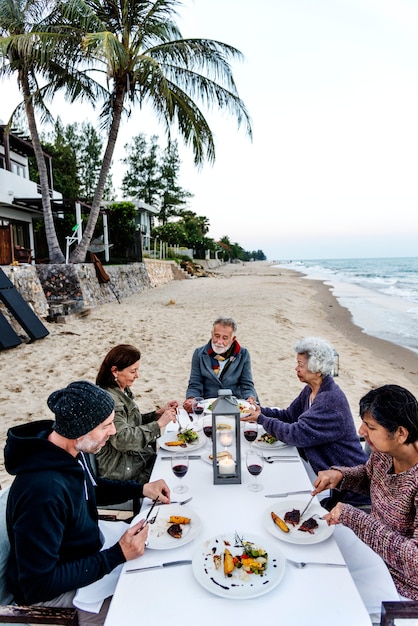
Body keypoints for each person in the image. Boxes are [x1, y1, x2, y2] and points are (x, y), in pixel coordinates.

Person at [4, 380, 171, 626]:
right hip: (56, 596)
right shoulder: (43, 493)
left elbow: (89, 490)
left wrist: (141, 489)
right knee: (146, 610)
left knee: (159, 569)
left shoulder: (67, 450)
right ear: (81, 432)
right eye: (106, 425)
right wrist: (117, 555)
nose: (113, 431)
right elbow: (37, 585)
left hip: (86, 552)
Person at [313, 384, 418, 606]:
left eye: (370, 426)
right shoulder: (384, 453)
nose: (361, 431)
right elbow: (370, 477)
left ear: (400, 433)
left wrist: (355, 518)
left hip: (401, 583)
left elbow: (415, 562)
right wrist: (340, 476)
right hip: (371, 550)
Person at [242, 336, 369, 508]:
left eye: (301, 365)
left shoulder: (329, 400)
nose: (296, 368)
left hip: (347, 490)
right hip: (322, 474)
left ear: (317, 369)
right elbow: (288, 415)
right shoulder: (311, 390)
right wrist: (260, 410)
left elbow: (295, 434)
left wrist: (261, 419)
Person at [95, 344, 177, 483]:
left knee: (174, 458)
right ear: (115, 371)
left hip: (133, 457)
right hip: (120, 468)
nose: (137, 375)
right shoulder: (110, 400)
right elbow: (122, 439)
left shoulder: (122, 390)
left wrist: (156, 415)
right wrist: (158, 424)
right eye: (133, 371)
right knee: (171, 468)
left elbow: (130, 424)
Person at [184, 317, 258, 412]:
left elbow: (247, 384)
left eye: (225, 338)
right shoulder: (199, 353)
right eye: (217, 336)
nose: (219, 342)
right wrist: (191, 398)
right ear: (212, 334)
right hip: (208, 406)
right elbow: (195, 383)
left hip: (236, 405)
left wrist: (250, 398)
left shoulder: (243, 354)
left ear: (233, 339)